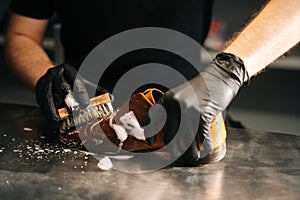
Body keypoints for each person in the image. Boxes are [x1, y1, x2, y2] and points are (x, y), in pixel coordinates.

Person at [4, 0, 300, 165]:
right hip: (88, 119)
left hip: (192, 115)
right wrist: (48, 76)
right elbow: (21, 35)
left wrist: (228, 72)